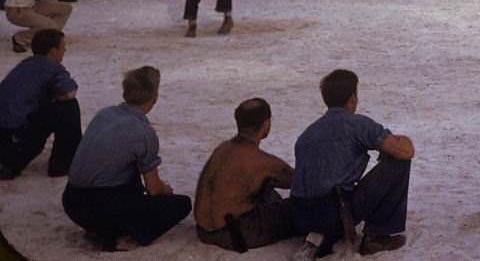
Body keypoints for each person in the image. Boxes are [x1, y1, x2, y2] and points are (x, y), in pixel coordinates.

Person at [62, 66, 192, 251]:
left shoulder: (104, 114)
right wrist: (166, 190)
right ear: (155, 97)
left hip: (71, 201)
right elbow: (154, 189)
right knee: (181, 204)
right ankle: (120, 235)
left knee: (128, 173)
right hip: (102, 206)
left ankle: (103, 228)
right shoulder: (144, 132)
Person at [291, 69, 414, 256]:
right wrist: (398, 141)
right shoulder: (356, 124)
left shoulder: (306, 134)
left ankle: (321, 236)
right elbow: (405, 151)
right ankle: (377, 236)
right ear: (353, 98)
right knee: (398, 162)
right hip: (334, 211)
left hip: (300, 215)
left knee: (328, 192)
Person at [194, 98, 298, 251]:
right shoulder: (261, 161)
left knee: (265, 189)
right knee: (297, 208)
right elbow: (299, 181)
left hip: (204, 232)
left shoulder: (222, 149)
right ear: (265, 124)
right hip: (235, 235)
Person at [0, 29, 81, 180]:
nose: (65, 50)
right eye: (63, 47)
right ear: (53, 52)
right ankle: (63, 163)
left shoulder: (25, 64)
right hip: (14, 141)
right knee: (68, 107)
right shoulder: (52, 69)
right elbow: (69, 92)